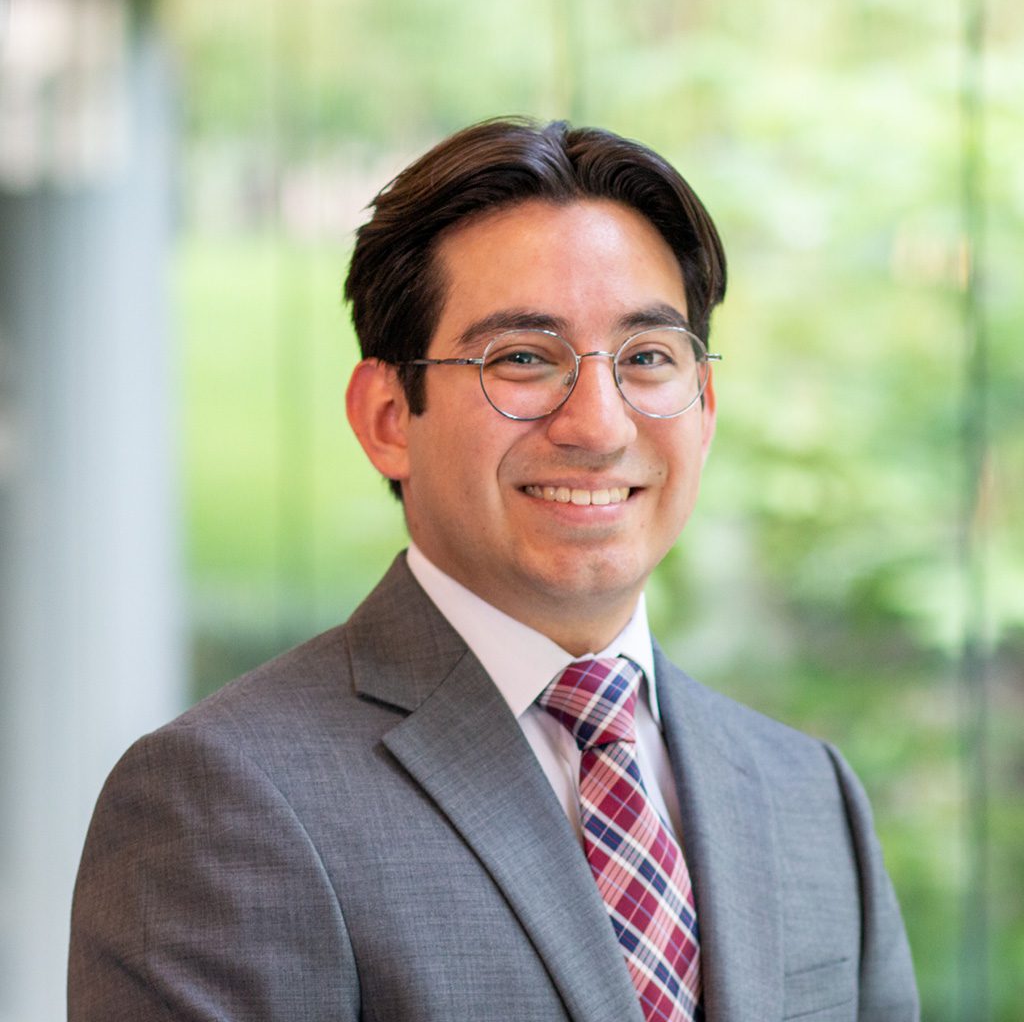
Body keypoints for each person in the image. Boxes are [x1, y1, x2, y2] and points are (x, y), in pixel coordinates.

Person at [69, 117, 919, 1022]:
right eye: (522, 358)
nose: (599, 425)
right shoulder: (219, 802)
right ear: (389, 416)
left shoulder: (809, 796)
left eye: (647, 359)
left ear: (704, 406)